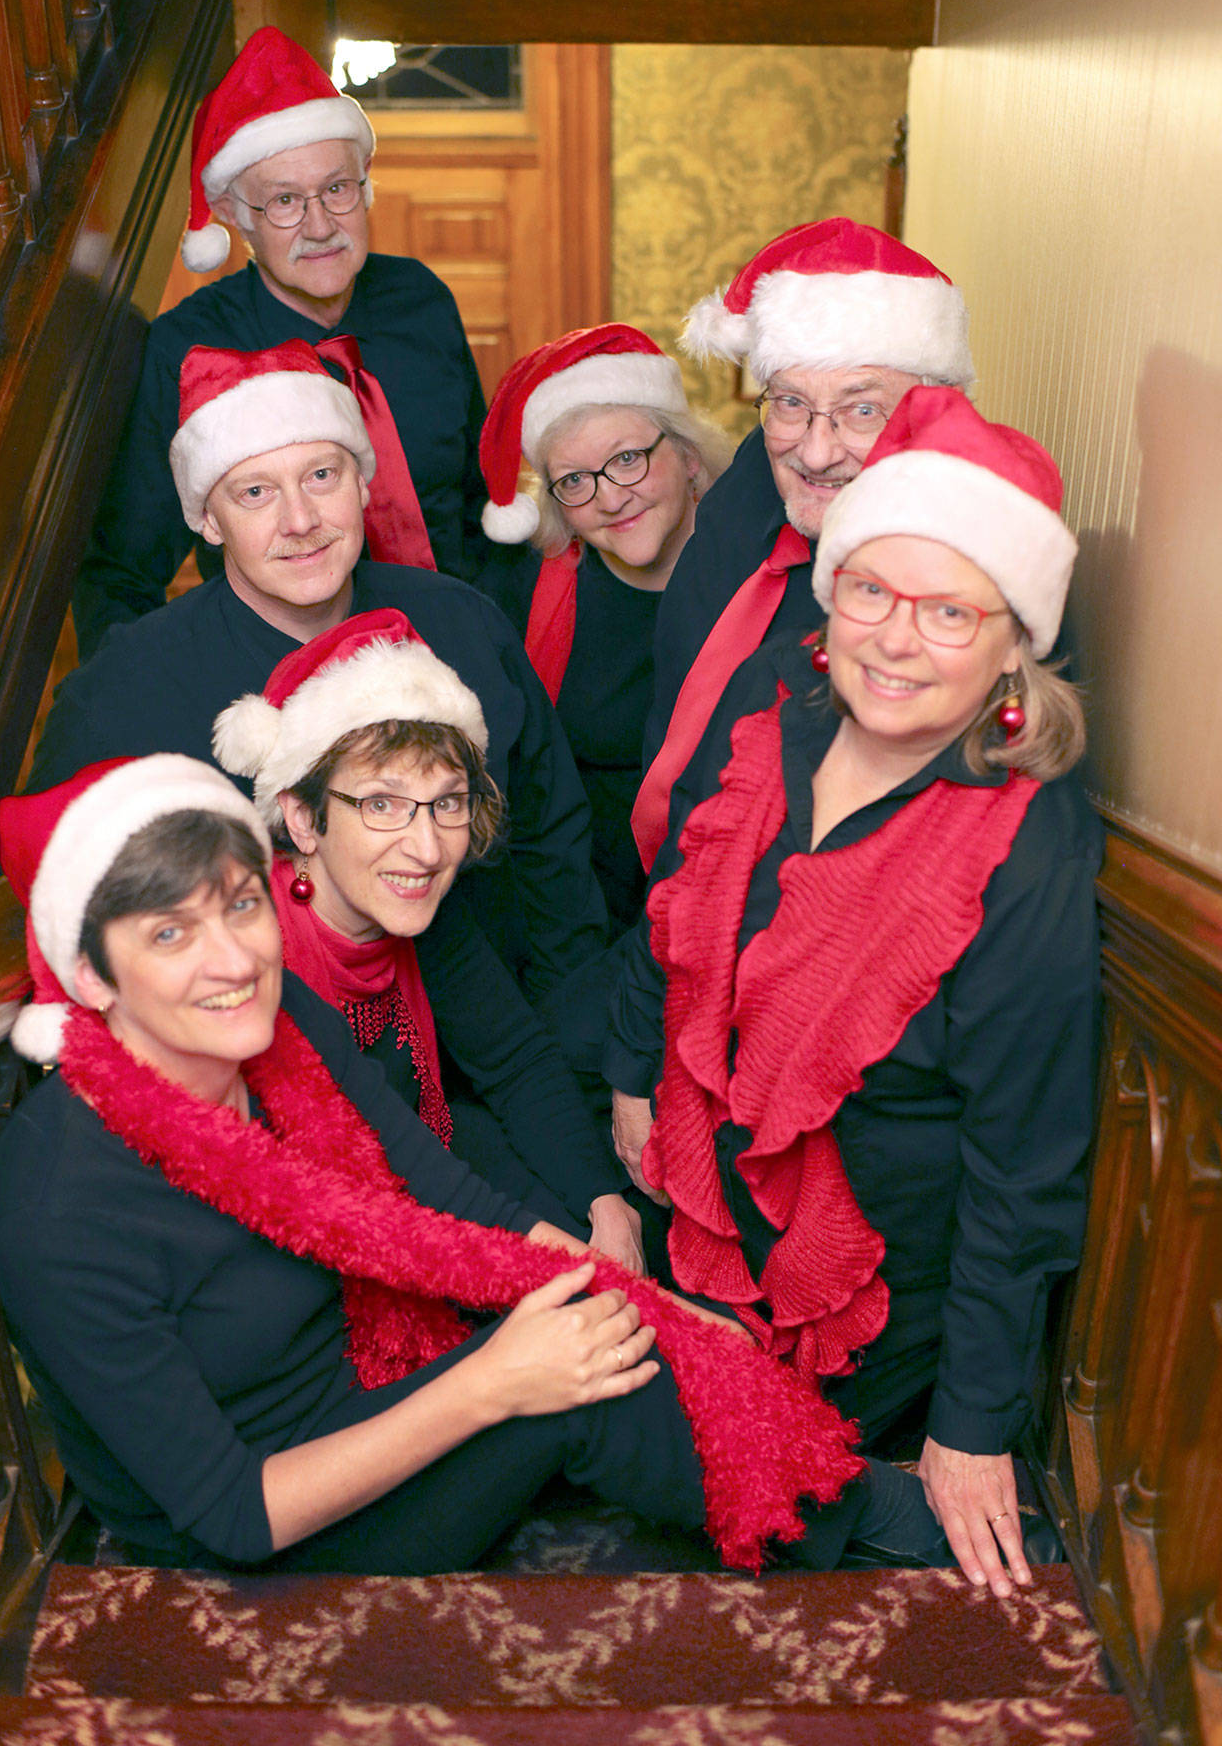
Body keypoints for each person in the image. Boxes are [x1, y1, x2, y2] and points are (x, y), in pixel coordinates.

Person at [0, 753, 885, 1576]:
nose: (232, 960)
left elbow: (437, 1189)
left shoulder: (278, 1017)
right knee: (573, 1383)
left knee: (597, 1314)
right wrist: (494, 1383)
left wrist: (659, 1312)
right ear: (91, 978)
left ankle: (825, 1489)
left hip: (361, 1374)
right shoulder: (59, 1210)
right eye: (169, 936)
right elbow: (230, 1512)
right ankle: (871, 1536)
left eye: (241, 903)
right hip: (256, 1523)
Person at [607, 387, 1100, 1600]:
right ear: (828, 596)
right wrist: (629, 1075)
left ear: (1010, 645)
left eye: (947, 612)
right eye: (870, 589)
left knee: (613, 1437)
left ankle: (855, 1489)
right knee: (582, 1398)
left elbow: (1021, 1164)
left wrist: (974, 1426)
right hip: (697, 1201)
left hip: (868, 1288)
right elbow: (669, 907)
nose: (893, 637)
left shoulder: (1020, 845)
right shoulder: (782, 706)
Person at [30, 341, 607, 1005]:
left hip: (498, 1046)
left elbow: (552, 843)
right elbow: (67, 907)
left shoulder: (466, 624)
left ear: (364, 483)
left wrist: (578, 1047)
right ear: (210, 522)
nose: (300, 521)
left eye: (321, 477)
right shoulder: (125, 687)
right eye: (255, 492)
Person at [213, 607, 642, 1271]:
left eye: (447, 802)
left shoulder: (418, 913)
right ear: (303, 818)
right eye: (382, 803)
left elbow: (514, 1060)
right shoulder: (249, 960)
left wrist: (603, 1201)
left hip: (432, 1175)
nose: (426, 848)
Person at [74, 26, 490, 656]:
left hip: (456, 646)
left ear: (365, 186)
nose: (320, 225)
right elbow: (124, 570)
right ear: (239, 218)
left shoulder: (423, 299)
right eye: (285, 202)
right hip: (284, 677)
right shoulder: (187, 347)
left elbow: (478, 502)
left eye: (336, 189)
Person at [632, 218, 975, 873]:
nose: (815, 452)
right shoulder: (746, 492)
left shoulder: (965, 575)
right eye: (790, 403)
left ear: (933, 413)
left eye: (862, 410)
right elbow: (674, 712)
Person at [476, 325, 730, 931]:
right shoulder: (525, 594)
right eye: (575, 481)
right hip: (584, 910)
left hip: (733, 905)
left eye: (626, 460)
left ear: (689, 456)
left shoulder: (761, 577)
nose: (610, 498)